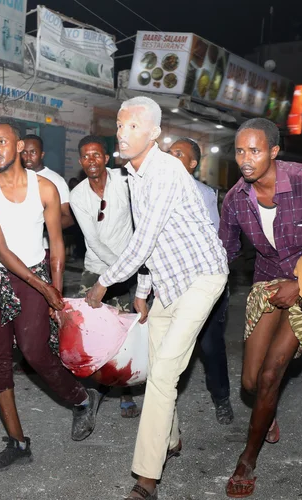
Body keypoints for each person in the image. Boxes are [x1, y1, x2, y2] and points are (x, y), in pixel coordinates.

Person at [85, 97, 229, 500]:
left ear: (154, 133)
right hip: (169, 280)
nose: (122, 133)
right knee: (156, 362)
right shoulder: (133, 175)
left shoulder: (164, 170)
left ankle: (147, 477)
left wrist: (104, 283)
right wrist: (145, 292)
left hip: (202, 277)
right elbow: (152, 243)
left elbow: (143, 240)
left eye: (133, 127)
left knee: (165, 372)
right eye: (119, 125)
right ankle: (171, 440)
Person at [219, 118, 302, 497]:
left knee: (271, 374)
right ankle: (267, 410)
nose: (246, 159)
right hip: (266, 283)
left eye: (255, 150)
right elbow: (225, 252)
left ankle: (247, 459)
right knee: (249, 382)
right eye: (240, 150)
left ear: (275, 151)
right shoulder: (234, 199)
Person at [0, 116, 100, 472]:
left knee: (35, 352)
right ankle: (18, 442)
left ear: (19, 148)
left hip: (37, 276)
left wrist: (54, 290)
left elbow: (57, 246)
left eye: (2, 142)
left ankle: (81, 398)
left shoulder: (45, 188)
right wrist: (45, 289)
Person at [70, 135, 140, 418]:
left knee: (128, 332)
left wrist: (133, 266)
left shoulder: (124, 181)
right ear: (80, 162)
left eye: (96, 155)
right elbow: (94, 241)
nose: (91, 161)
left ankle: (126, 391)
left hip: (131, 265)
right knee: (90, 332)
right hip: (98, 266)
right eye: (86, 156)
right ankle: (94, 391)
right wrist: (121, 270)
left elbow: (140, 217)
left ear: (106, 158)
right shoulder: (77, 196)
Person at [168, 138, 234, 425]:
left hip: (203, 283)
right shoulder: (154, 191)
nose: (171, 158)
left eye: (179, 154)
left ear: (193, 164)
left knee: (209, 345)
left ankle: (222, 398)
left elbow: (215, 241)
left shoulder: (204, 194)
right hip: (170, 282)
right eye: (169, 153)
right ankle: (164, 409)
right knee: (167, 347)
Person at [21, 134, 74, 229]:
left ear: (42, 155)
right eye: (24, 152)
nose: (28, 157)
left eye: (33, 152)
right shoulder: (17, 177)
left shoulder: (56, 180)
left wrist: (41, 228)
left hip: (44, 242)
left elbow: (68, 218)